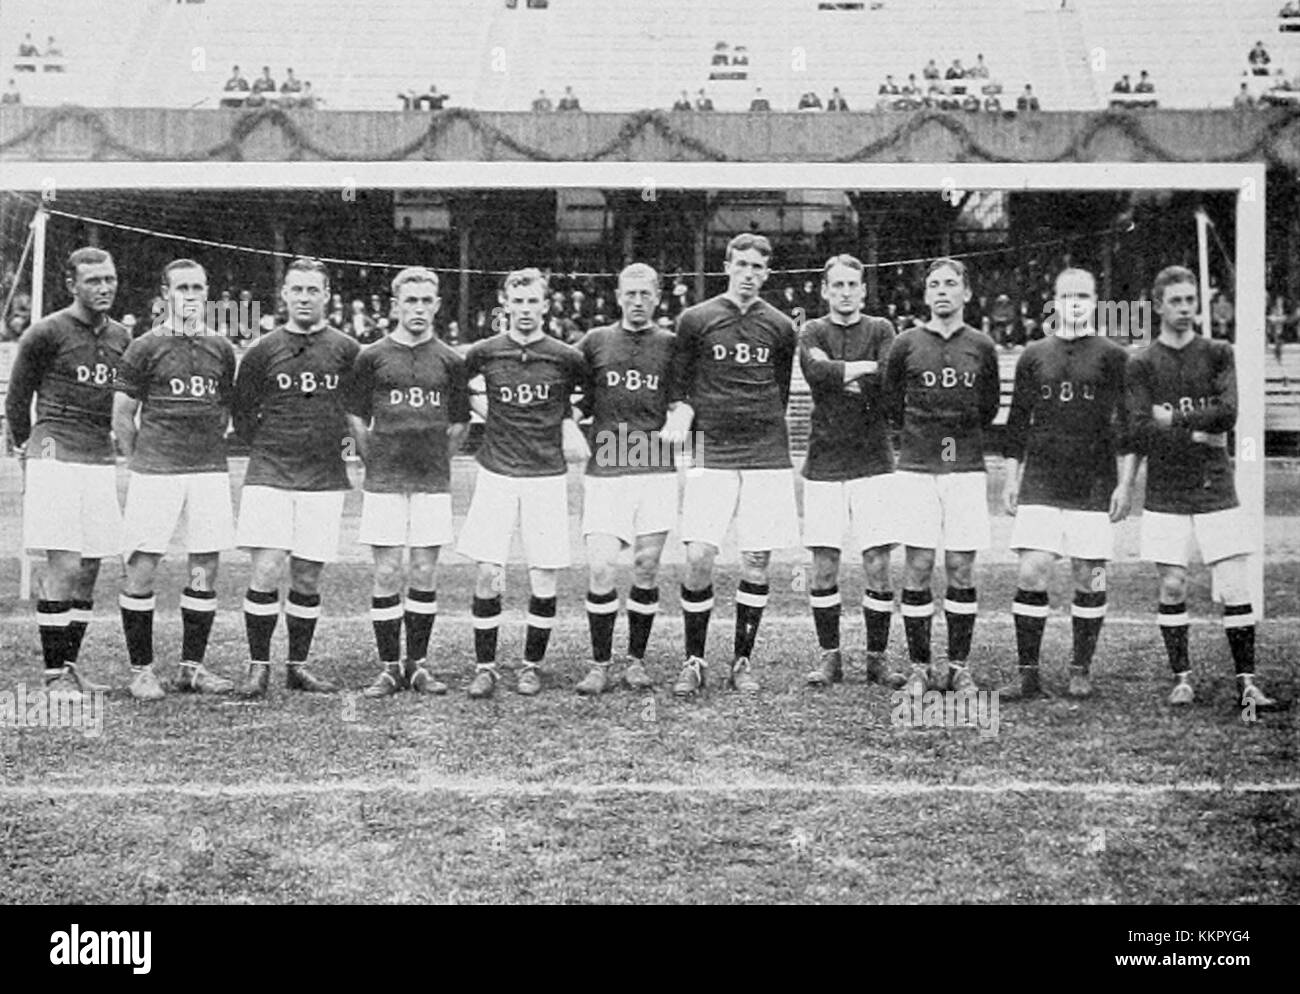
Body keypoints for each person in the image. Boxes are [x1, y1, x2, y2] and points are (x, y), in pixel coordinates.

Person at [1127, 266, 1275, 710]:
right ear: (1158, 305)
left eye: (1192, 300)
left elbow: (1229, 413)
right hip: (1166, 487)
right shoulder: (1141, 362)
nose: (1186, 309)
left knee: (1234, 583)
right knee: (1172, 584)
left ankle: (1247, 682)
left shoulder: (1217, 352)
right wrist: (1196, 429)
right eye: (1177, 301)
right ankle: (1182, 677)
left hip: (1214, 483)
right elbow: (1137, 429)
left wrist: (1173, 419)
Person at [662, 233, 799, 696]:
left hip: (766, 452)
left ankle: (743, 660)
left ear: (767, 273)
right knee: (699, 553)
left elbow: (778, 390)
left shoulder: (781, 326)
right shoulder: (695, 319)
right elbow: (679, 384)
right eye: (741, 264)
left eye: (757, 267)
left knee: (757, 558)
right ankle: (694, 659)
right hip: (709, 449)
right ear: (727, 265)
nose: (748, 274)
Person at [1000, 268, 1136, 700]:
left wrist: (1125, 483)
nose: (1074, 303)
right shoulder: (1034, 354)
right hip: (1041, 479)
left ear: (1095, 300)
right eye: (1065, 296)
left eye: (1082, 295)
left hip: (1094, 481)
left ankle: (1081, 668)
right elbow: (1017, 422)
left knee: (1090, 576)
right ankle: (1027, 673)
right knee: (1032, 571)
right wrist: (1011, 477)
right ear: (1053, 302)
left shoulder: (1115, 356)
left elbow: (1129, 428)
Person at [231, 258, 361, 697]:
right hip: (270, 472)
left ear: (327, 296)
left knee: (307, 575)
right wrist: (272, 445)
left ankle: (298, 666)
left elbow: (359, 408)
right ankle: (257, 667)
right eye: (296, 290)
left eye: (313, 290)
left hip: (324, 476)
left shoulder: (347, 350)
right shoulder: (263, 349)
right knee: (266, 569)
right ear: (284, 295)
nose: (304, 298)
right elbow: (242, 412)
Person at [457, 269, 588, 698]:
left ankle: (532, 665)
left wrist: (568, 421)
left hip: (546, 476)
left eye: (534, 301)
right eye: (519, 301)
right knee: (489, 573)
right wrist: (484, 409)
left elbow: (587, 398)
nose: (526, 309)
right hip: (496, 472)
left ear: (546, 305)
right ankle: (485, 666)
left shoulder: (566, 356)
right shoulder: (484, 352)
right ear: (505, 304)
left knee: (542, 575)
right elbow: (459, 389)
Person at [111, 259, 238, 700]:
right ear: (165, 295)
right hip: (157, 472)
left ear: (207, 293)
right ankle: (141, 669)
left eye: (198, 287)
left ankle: (192, 667)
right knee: (143, 563)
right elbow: (123, 416)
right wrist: (141, 460)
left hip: (207, 471)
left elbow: (224, 409)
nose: (190, 295)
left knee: (204, 566)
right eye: (181, 287)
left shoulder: (222, 347)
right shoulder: (144, 347)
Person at [5, 248, 128, 695]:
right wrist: (26, 448)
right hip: (54, 457)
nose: (104, 287)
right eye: (93, 280)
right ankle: (54, 675)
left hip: (97, 457)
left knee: (91, 565)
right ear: (71, 284)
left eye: (110, 279)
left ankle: (71, 666)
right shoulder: (46, 332)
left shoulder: (121, 337)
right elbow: (17, 401)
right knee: (65, 562)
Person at [345, 267, 469, 698]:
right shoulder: (371, 356)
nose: (418, 308)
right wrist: (373, 456)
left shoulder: (452, 360)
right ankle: (388, 667)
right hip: (385, 480)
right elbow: (357, 416)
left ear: (437, 305)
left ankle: (417, 664)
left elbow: (459, 425)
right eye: (409, 300)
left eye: (426, 300)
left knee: (423, 570)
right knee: (387, 570)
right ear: (395, 305)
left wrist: (434, 458)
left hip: (431, 480)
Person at [881, 258, 1000, 695]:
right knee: (919, 564)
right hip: (916, 466)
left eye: (952, 284)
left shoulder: (982, 346)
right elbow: (892, 403)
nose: (943, 291)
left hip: (965, 467)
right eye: (935, 285)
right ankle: (919, 667)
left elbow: (987, 408)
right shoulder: (906, 343)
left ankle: (959, 667)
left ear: (967, 293)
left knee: (960, 567)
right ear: (926, 295)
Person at [798, 256, 905, 690]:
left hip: (873, 461)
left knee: (878, 562)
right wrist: (859, 370)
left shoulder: (882, 329)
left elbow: (888, 381)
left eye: (852, 285)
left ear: (863, 290)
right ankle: (830, 658)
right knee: (824, 564)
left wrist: (840, 373)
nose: (845, 292)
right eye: (836, 285)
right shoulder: (812, 331)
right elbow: (814, 373)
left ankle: (877, 659)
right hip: (824, 461)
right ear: (825, 290)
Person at [572, 264, 677, 695]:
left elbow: (685, 402)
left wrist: (681, 425)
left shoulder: (672, 345)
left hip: (654, 465)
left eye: (645, 295)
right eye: (630, 294)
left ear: (657, 297)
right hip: (607, 465)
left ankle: (635, 660)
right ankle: (599, 664)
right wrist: (568, 426)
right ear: (618, 295)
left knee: (646, 566)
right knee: (600, 566)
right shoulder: (595, 341)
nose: (637, 302)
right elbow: (572, 397)